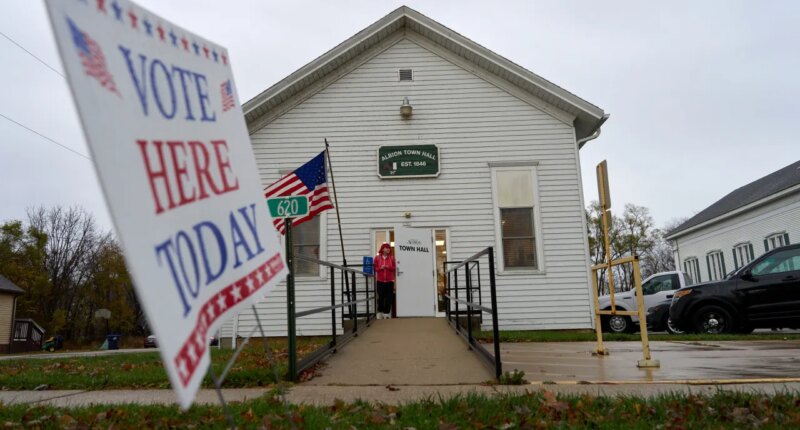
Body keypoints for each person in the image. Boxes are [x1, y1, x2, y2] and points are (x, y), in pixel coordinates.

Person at [373, 242, 396, 319]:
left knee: (389, 297)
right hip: (380, 281)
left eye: (389, 248)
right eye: (387, 248)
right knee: (381, 297)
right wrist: (381, 268)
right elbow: (375, 268)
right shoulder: (377, 258)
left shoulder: (392, 258)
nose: (388, 249)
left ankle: (386, 313)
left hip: (390, 281)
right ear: (383, 249)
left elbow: (394, 268)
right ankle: (380, 312)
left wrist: (387, 267)